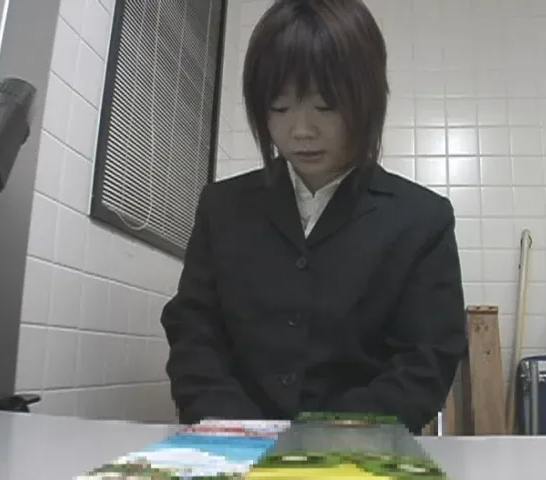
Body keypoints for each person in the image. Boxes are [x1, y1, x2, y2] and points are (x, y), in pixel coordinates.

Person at [161, 0, 467, 435]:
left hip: (360, 449)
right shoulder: (221, 206)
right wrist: (238, 429)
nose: (300, 130)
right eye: (279, 108)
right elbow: (194, 333)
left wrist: (326, 438)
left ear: (367, 101)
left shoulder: (422, 219)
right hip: (233, 444)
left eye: (325, 107)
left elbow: (426, 361)